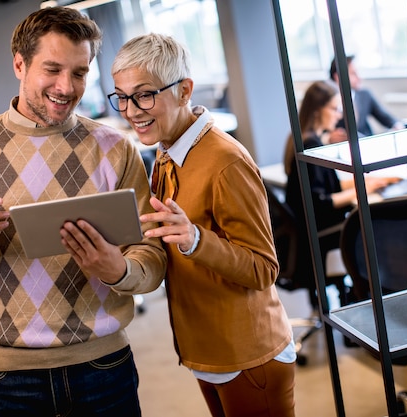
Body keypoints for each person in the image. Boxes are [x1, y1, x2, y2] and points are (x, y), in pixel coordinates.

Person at [0, 7, 167, 417]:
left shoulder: (116, 149)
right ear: (19, 63)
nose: (67, 87)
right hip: (7, 379)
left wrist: (117, 268)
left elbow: (153, 262)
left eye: (80, 73)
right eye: (52, 69)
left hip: (103, 367)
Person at [109, 34, 296, 417]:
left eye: (144, 95)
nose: (130, 110)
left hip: (246, 353)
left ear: (184, 90)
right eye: (122, 97)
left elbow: (264, 268)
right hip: (205, 350)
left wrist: (196, 240)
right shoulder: (166, 153)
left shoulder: (225, 161)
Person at [284, 81, 398, 301]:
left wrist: (368, 180)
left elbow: (326, 186)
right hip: (319, 238)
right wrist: (361, 189)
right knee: (376, 231)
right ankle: (367, 297)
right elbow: (322, 202)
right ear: (318, 110)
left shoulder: (302, 137)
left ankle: (362, 294)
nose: (339, 116)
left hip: (308, 233)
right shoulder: (311, 146)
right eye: (335, 109)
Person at [330, 55, 405, 137]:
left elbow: (387, 118)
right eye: (353, 74)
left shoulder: (365, 95)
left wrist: (397, 125)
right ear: (338, 77)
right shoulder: (329, 101)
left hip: (367, 141)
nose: (359, 78)